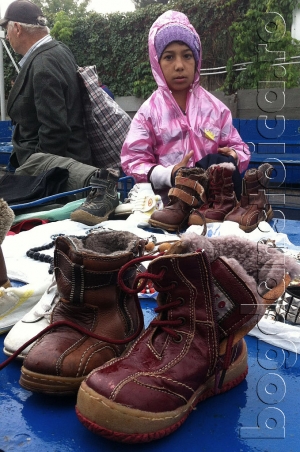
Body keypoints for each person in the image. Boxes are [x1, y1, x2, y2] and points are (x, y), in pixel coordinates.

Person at [0, 0, 121, 224]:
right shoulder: (58, 50)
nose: (6, 36)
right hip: (66, 164)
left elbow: (55, 131)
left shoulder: (43, 63)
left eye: (6, 29)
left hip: (55, 176)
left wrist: (39, 183)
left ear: (16, 28)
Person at [121, 10, 250, 205]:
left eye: (187, 56)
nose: (179, 65)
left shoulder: (217, 110)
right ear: (157, 62)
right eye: (169, 57)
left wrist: (234, 157)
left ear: (197, 60)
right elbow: (134, 161)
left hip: (216, 207)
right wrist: (170, 174)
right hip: (167, 209)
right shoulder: (147, 114)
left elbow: (238, 147)